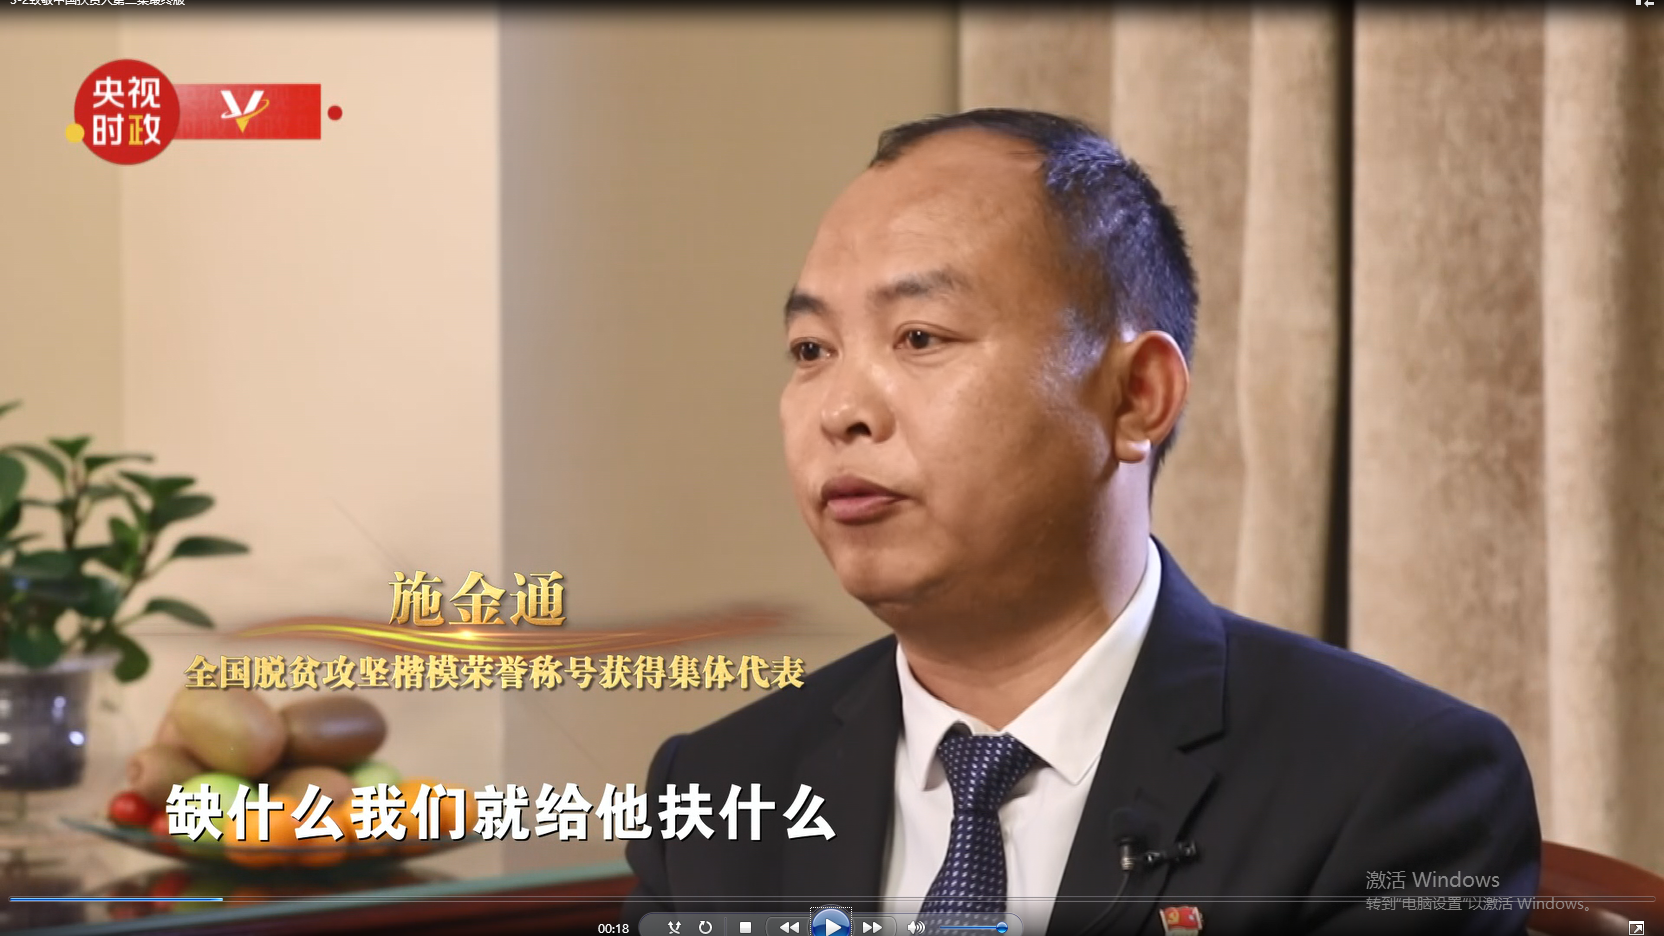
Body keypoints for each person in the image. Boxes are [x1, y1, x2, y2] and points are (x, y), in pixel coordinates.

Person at [621, 109, 1540, 935]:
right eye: (811, 349)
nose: (841, 411)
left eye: (920, 337)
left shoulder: (1387, 784)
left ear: (1138, 396)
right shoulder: (717, 794)